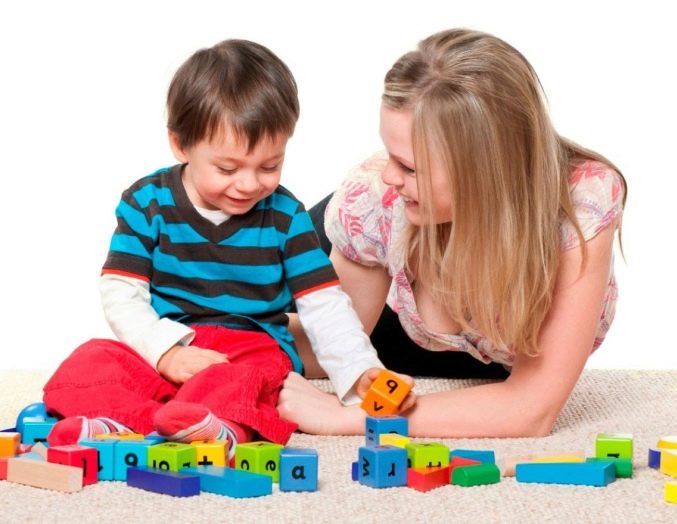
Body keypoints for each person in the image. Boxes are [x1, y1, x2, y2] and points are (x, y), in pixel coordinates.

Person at [42, 39, 413, 462]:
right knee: (93, 358)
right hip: (169, 341)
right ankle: (125, 422)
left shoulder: (285, 217)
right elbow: (121, 293)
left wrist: (360, 369)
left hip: (248, 348)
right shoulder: (146, 203)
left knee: (254, 380)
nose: (250, 184)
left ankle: (215, 427)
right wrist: (166, 353)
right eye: (227, 168)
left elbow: (325, 305)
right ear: (181, 145)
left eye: (270, 166)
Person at [277, 28, 627, 438]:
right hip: (384, 294)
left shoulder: (583, 204)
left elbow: (531, 410)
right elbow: (329, 347)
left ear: (484, 172)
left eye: (410, 167)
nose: (390, 175)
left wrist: (350, 419)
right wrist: (220, 339)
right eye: (390, 155)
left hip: (470, 345)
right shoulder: (376, 199)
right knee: (240, 296)